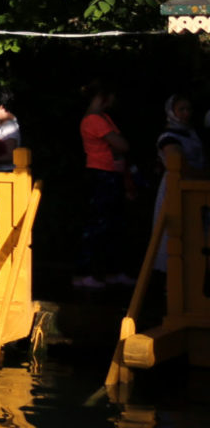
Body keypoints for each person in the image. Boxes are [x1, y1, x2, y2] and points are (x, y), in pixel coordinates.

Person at [75, 81, 133, 289]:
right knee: (97, 224)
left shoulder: (103, 118)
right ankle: (86, 272)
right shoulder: (93, 120)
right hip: (101, 174)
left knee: (113, 224)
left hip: (112, 172)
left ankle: (109, 270)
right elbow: (121, 144)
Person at [150, 95, 204, 283]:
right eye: (181, 109)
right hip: (177, 185)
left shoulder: (191, 133)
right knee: (175, 230)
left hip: (196, 187)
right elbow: (177, 161)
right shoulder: (169, 137)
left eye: (188, 109)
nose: (186, 113)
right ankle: (171, 280)